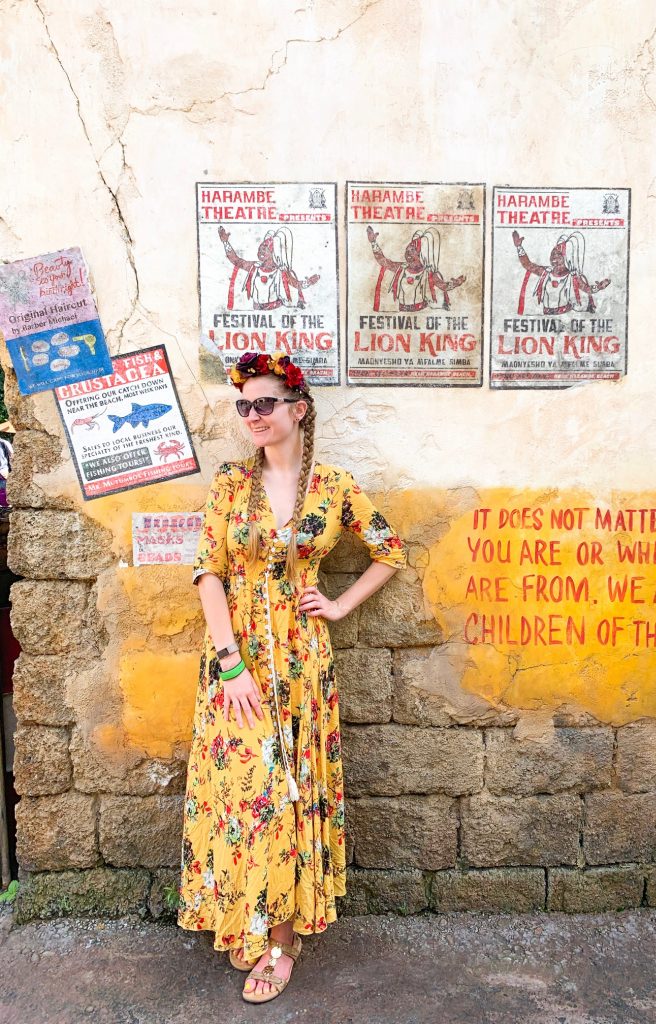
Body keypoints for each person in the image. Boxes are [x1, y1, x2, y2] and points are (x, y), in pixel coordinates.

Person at [177, 351, 407, 1004]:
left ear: (297, 409)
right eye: (244, 404)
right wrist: (231, 664)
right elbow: (208, 571)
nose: (253, 414)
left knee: (289, 793)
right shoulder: (230, 484)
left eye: (265, 403)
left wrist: (336, 605)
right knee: (248, 792)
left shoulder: (333, 487)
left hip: (303, 666)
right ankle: (249, 918)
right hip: (237, 661)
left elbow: (390, 551)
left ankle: (282, 939)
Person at [218, 225, 320, 311]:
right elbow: (236, 260)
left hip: (275, 312)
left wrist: (309, 282)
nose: (260, 251)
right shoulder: (254, 267)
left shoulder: (281, 272)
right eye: (260, 248)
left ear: (274, 253)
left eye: (265, 249)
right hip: (257, 312)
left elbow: (297, 284)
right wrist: (225, 243)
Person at [366, 225, 466, 312]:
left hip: (421, 313)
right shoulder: (401, 268)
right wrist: (373, 243)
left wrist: (456, 283)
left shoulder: (428, 273)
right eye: (407, 250)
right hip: (403, 313)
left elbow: (443, 286)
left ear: (422, 254)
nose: (408, 253)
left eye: (412, 250)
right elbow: (383, 261)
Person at [511, 229, 611, 315]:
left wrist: (599, 287)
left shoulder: (572, 276)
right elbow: (527, 265)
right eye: (552, 254)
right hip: (547, 314)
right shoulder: (545, 272)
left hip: (564, 315)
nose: (554, 257)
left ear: (565, 258)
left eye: (558, 254)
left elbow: (587, 289)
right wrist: (519, 247)